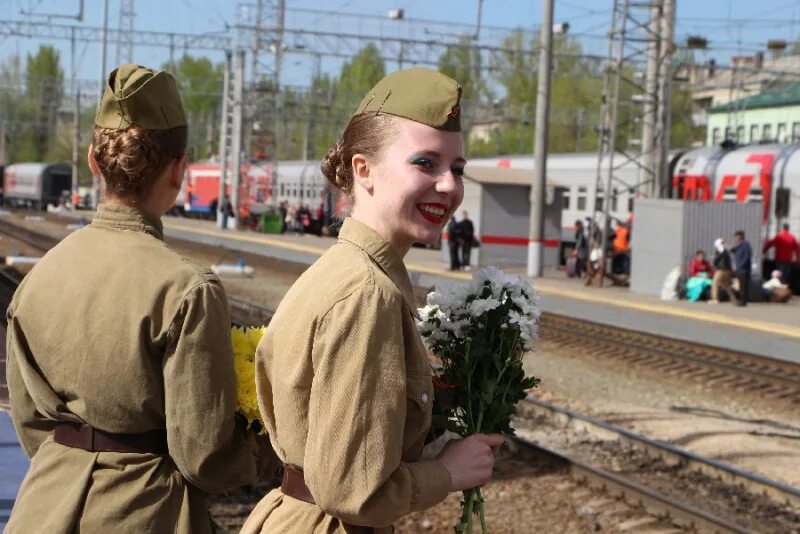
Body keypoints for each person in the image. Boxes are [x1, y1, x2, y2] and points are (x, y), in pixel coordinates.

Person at [5, 64, 278, 533]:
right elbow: (203, 456)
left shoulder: (38, 277)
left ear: (93, 160)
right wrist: (271, 454)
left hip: (42, 508)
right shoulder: (187, 289)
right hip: (148, 513)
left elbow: (30, 423)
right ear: (178, 168)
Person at [241, 67, 504, 533]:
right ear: (364, 171)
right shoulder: (368, 294)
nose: (448, 185)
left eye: (457, 169)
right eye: (425, 163)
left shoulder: (347, 270)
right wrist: (448, 472)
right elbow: (352, 490)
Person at [710, 238, 736, 304]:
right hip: (727, 270)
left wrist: (715, 263)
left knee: (714, 283)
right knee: (726, 285)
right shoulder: (726, 250)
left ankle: (715, 299)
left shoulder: (721, 250)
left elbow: (717, 260)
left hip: (721, 270)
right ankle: (733, 299)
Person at [731, 229, 753, 306]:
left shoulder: (745, 245)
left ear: (740, 236)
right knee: (741, 285)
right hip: (740, 269)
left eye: (736, 237)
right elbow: (733, 250)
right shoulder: (739, 245)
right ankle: (742, 301)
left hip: (743, 269)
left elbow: (747, 257)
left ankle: (743, 302)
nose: (735, 239)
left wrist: (741, 266)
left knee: (743, 286)